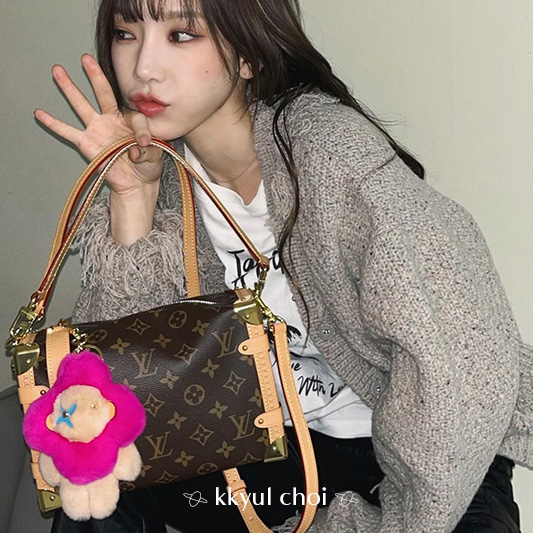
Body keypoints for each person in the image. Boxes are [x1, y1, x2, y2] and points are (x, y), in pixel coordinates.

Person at [33, 0, 532, 531]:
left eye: (181, 34)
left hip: (414, 448)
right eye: (125, 33)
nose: (143, 68)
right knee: (94, 479)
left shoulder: (333, 157)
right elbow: (121, 387)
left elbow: (457, 369)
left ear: (248, 54)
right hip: (271, 449)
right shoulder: (162, 168)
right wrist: (134, 196)